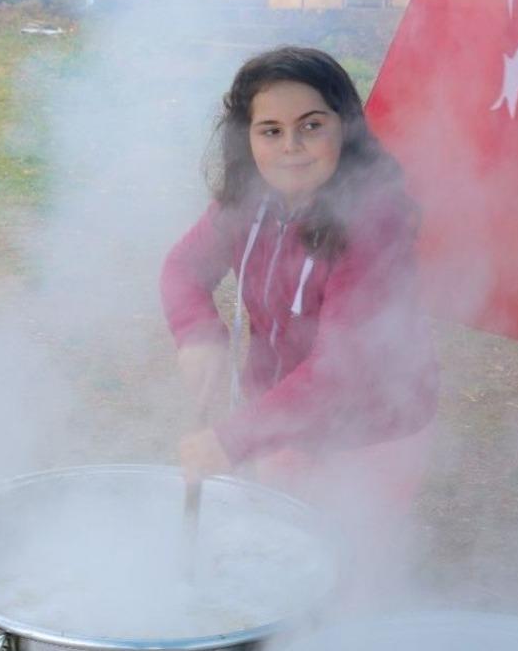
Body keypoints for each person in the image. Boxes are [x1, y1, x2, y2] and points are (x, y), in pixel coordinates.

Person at [160, 46, 439, 504]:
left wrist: (234, 439)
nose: (290, 146)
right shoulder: (248, 202)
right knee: (280, 534)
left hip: (372, 430)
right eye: (271, 131)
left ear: (345, 127)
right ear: (246, 137)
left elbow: (341, 369)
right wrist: (196, 333)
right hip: (281, 414)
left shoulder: (374, 225)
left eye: (311, 126)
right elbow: (182, 268)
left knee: (352, 552)